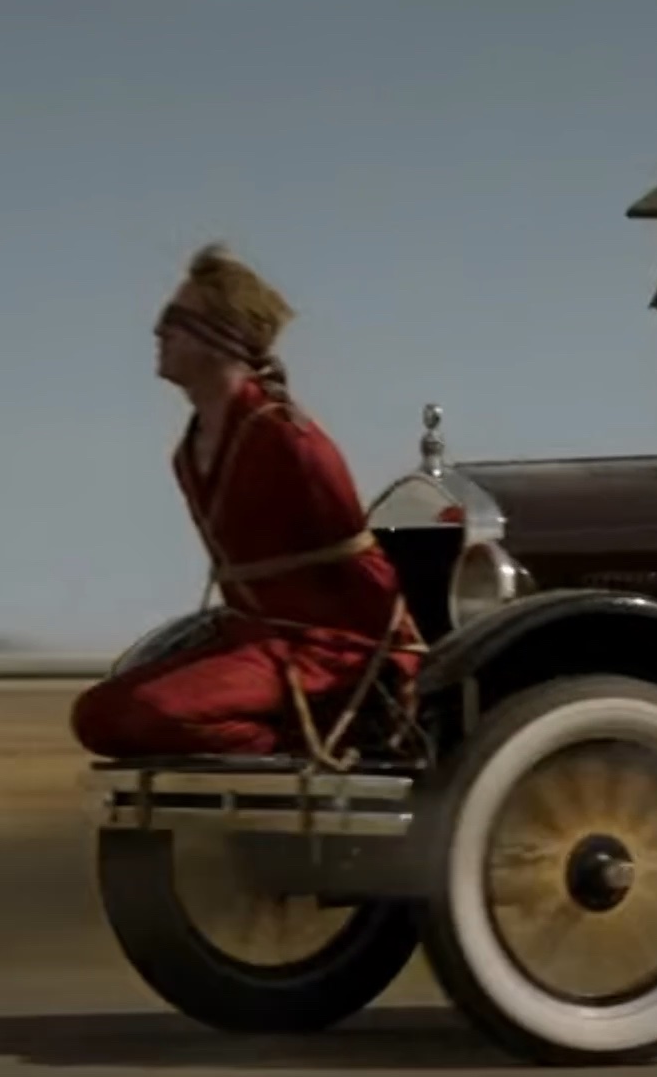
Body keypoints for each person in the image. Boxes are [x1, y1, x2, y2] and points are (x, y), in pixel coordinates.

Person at [70, 243, 422, 762]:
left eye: (176, 320)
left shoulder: (291, 443)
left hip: (322, 650)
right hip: (249, 640)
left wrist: (396, 663)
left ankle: (309, 746)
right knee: (96, 715)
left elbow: (364, 568)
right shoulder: (189, 452)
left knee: (152, 712)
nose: (158, 332)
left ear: (223, 337)